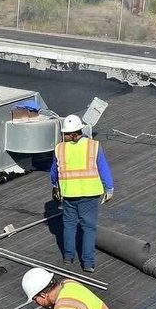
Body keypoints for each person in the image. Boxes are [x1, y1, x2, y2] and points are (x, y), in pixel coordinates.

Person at [50, 114, 114, 273]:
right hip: (90, 195)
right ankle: (88, 263)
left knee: (69, 226)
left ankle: (68, 257)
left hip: (69, 194)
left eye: (65, 134)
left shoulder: (60, 148)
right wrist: (109, 188)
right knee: (88, 228)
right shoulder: (93, 146)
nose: (64, 136)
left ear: (73, 133)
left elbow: (54, 172)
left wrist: (55, 187)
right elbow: (103, 168)